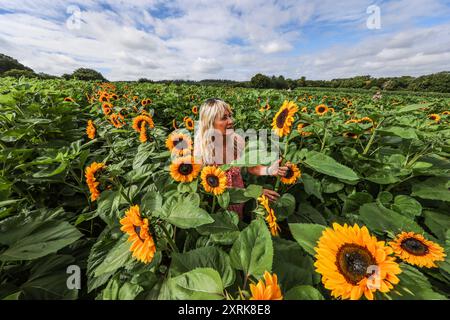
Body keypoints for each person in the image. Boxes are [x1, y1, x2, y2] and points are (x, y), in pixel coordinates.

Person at [193, 98, 289, 219]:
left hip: (239, 200)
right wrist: (255, 193)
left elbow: (248, 168)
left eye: (230, 116)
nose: (231, 121)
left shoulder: (237, 140)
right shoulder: (202, 149)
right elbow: (202, 187)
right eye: (224, 118)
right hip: (214, 205)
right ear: (210, 123)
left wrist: (269, 170)